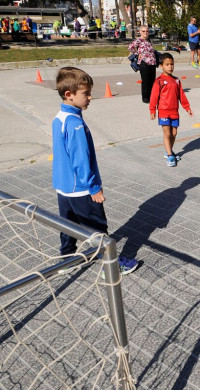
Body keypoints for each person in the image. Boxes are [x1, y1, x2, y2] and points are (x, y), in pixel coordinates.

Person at [52, 67, 138, 275]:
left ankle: (67, 259)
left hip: (64, 187)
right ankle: (111, 266)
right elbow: (81, 160)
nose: (90, 97)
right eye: (85, 93)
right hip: (82, 188)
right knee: (98, 228)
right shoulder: (75, 124)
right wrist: (93, 188)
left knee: (68, 226)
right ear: (69, 95)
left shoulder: (60, 117)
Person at [149, 53, 193, 167]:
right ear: (161, 66)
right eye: (167, 64)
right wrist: (152, 110)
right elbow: (154, 96)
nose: (170, 67)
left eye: (172, 64)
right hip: (164, 111)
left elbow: (181, 95)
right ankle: (170, 155)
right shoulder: (158, 81)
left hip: (174, 111)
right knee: (167, 133)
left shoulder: (176, 81)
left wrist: (187, 107)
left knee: (174, 133)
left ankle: (168, 151)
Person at [128, 26, 157, 103]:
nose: (145, 33)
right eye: (143, 31)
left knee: (152, 81)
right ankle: (145, 97)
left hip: (152, 62)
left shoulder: (149, 40)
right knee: (145, 81)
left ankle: (151, 96)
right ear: (140, 32)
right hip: (144, 63)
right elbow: (130, 47)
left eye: (147, 31)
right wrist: (137, 53)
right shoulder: (139, 40)